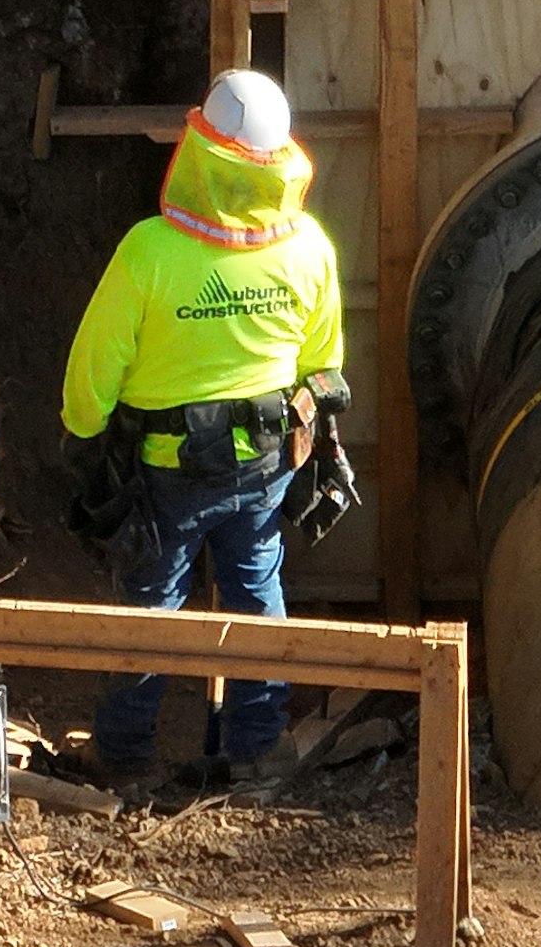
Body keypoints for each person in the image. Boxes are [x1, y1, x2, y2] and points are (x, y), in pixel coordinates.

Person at [61, 68, 347, 779]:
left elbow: (94, 367)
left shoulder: (150, 252)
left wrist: (85, 434)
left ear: (200, 152)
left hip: (169, 466)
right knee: (256, 594)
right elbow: (324, 362)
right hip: (266, 465)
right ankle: (257, 755)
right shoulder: (310, 247)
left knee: (152, 605)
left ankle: (124, 760)